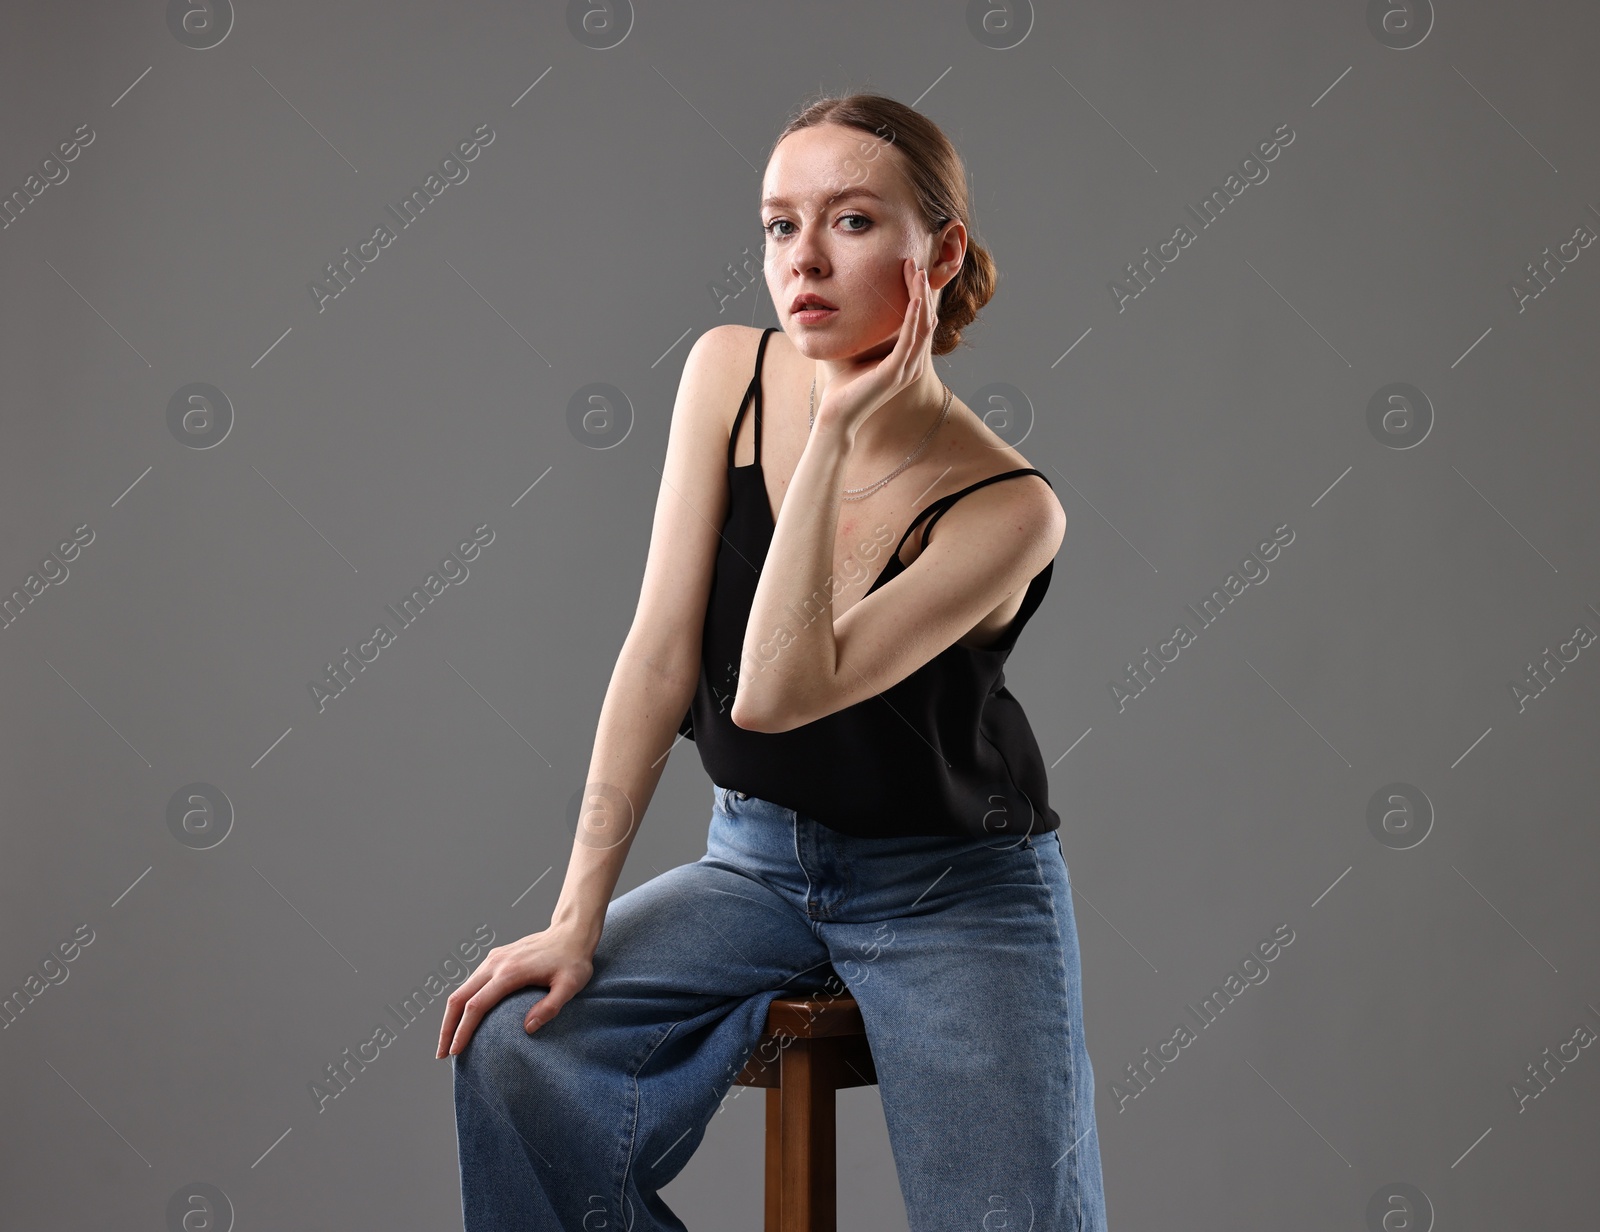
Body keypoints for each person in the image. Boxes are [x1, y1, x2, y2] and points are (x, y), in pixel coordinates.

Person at [438, 91, 1110, 1231]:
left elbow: (775, 689)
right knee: (512, 1053)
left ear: (938, 252)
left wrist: (841, 431)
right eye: (777, 224)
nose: (802, 259)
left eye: (850, 221)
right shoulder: (725, 374)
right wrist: (572, 916)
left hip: (950, 890)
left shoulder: (1007, 508)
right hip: (755, 865)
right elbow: (659, 658)